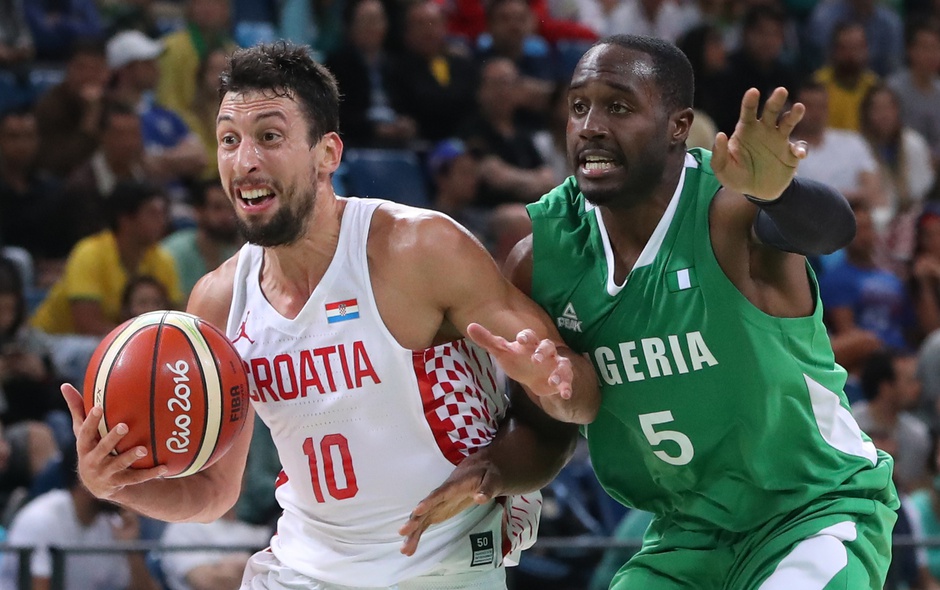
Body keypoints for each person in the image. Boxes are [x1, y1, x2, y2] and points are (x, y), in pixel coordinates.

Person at [60, 41, 600, 590]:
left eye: (270, 137)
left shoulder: (418, 249)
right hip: (301, 568)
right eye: (229, 140)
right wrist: (116, 485)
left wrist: (554, 384)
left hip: (440, 565)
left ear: (328, 153)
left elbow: (581, 399)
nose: (244, 161)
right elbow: (212, 494)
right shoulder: (219, 300)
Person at [512, 34, 898, 588]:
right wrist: (490, 477)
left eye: (617, 106)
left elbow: (832, 230)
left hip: (812, 510)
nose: (590, 125)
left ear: (678, 125)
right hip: (685, 535)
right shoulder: (546, 255)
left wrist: (779, 193)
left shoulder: (729, 206)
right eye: (578, 106)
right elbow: (541, 430)